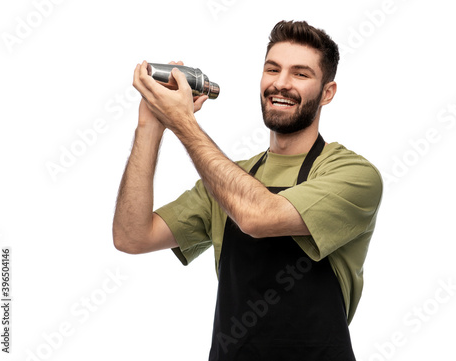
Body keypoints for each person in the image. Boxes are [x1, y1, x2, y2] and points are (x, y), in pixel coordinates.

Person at [113, 20, 383, 361]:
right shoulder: (228, 179)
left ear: (327, 92)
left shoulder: (353, 175)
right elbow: (131, 236)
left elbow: (258, 216)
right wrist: (151, 123)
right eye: (273, 69)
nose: (281, 83)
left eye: (300, 74)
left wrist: (184, 122)